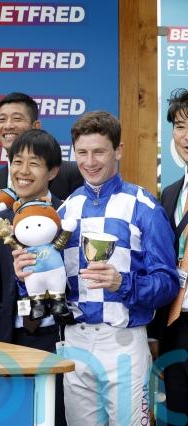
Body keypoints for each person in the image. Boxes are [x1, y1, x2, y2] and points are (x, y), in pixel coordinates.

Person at [13, 111, 178, 425]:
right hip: (74, 341)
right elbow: (47, 293)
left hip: (124, 342)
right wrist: (26, 278)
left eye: (99, 151)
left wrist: (122, 283)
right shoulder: (64, 211)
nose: (90, 162)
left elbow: (168, 284)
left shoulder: (144, 206)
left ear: (118, 150)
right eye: (82, 153)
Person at [0, 128, 66, 425]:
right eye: (17, 161)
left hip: (58, 339)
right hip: (12, 338)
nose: (23, 171)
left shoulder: (66, 215)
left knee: (54, 416)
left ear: (52, 171)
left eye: (34, 163)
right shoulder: (0, 221)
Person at [149, 88, 188, 422]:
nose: (186, 136)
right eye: (180, 126)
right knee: (178, 412)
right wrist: (155, 331)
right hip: (177, 326)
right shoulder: (170, 194)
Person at [0, 92, 83, 201]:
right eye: (2, 119)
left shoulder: (72, 174)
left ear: (36, 126)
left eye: (17, 118)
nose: (8, 126)